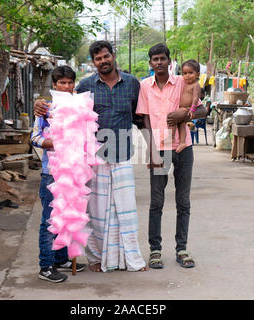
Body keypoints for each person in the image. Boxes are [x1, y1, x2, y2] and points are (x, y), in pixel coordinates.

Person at [34, 40, 147, 273]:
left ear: (113, 55)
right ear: (93, 62)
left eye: (106, 56)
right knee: (96, 212)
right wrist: (39, 104)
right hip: (95, 158)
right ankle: (97, 258)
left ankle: (131, 258)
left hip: (124, 154)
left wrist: (153, 147)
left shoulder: (132, 83)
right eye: (98, 59)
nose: (103, 61)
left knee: (126, 210)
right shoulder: (86, 86)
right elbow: (63, 106)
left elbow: (140, 116)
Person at [136, 43, 206, 270]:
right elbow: (144, 119)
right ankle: (155, 250)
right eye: (154, 59)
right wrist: (151, 149)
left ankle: (181, 249)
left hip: (183, 149)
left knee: (183, 201)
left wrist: (184, 113)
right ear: (150, 63)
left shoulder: (183, 81)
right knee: (156, 202)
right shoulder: (145, 86)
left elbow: (203, 109)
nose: (158, 62)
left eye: (162, 59)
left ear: (169, 61)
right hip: (160, 148)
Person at [31, 65, 86, 283]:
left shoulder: (79, 107)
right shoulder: (46, 109)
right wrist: (56, 142)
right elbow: (34, 138)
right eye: (61, 83)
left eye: (69, 82)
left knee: (66, 217)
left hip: (73, 172)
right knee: (49, 220)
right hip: (51, 172)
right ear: (54, 85)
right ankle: (45, 265)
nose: (66, 86)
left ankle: (61, 258)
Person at [175, 59, 202, 153]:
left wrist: (192, 109)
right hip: (181, 107)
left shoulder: (196, 85)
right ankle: (171, 139)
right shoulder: (183, 83)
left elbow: (195, 98)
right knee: (174, 121)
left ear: (197, 74)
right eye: (185, 73)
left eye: (190, 73)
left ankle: (182, 142)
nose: (187, 75)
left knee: (182, 124)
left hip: (187, 109)